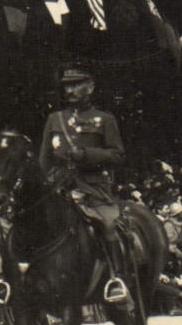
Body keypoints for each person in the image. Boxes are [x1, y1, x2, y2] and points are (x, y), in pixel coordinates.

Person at [39, 63, 132, 304]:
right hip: (59, 187)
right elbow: (44, 159)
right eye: (67, 86)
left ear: (90, 88)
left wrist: (86, 155)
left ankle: (117, 279)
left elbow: (117, 155)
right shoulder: (54, 119)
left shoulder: (104, 119)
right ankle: (12, 280)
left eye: (76, 85)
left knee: (108, 225)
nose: (69, 90)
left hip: (93, 189)